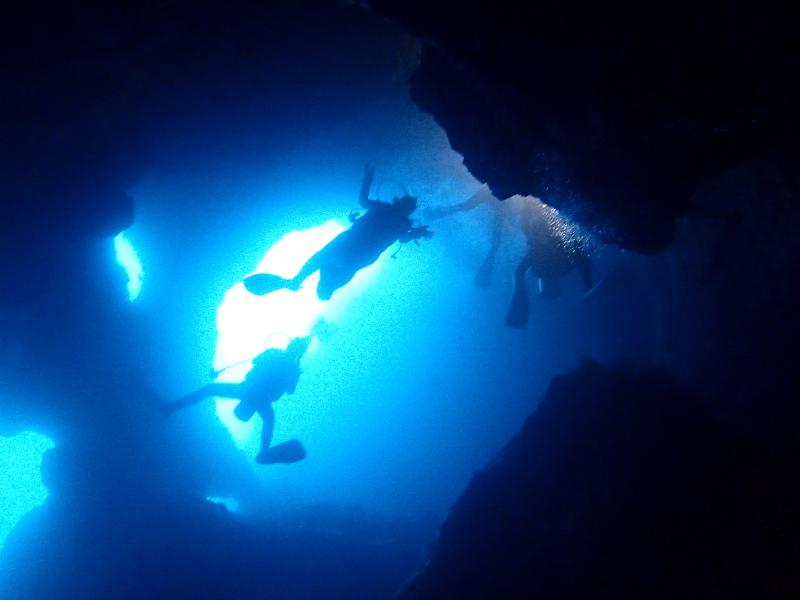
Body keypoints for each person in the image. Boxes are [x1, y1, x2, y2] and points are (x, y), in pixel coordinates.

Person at [244, 164, 433, 300]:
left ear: (400, 202)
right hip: (361, 253)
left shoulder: (385, 210)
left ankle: (299, 282)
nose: (398, 200)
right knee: (331, 263)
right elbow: (403, 238)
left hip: (351, 244)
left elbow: (363, 201)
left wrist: (367, 181)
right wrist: (418, 233)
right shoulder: (402, 221)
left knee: (324, 257)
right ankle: (309, 284)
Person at [161, 337, 312, 464]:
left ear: (290, 345)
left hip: (247, 390)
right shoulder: (294, 368)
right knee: (269, 421)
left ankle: (172, 407)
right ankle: (264, 452)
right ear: (301, 352)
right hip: (261, 399)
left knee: (210, 389)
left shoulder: (275, 354)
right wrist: (295, 369)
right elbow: (290, 391)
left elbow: (255, 361)